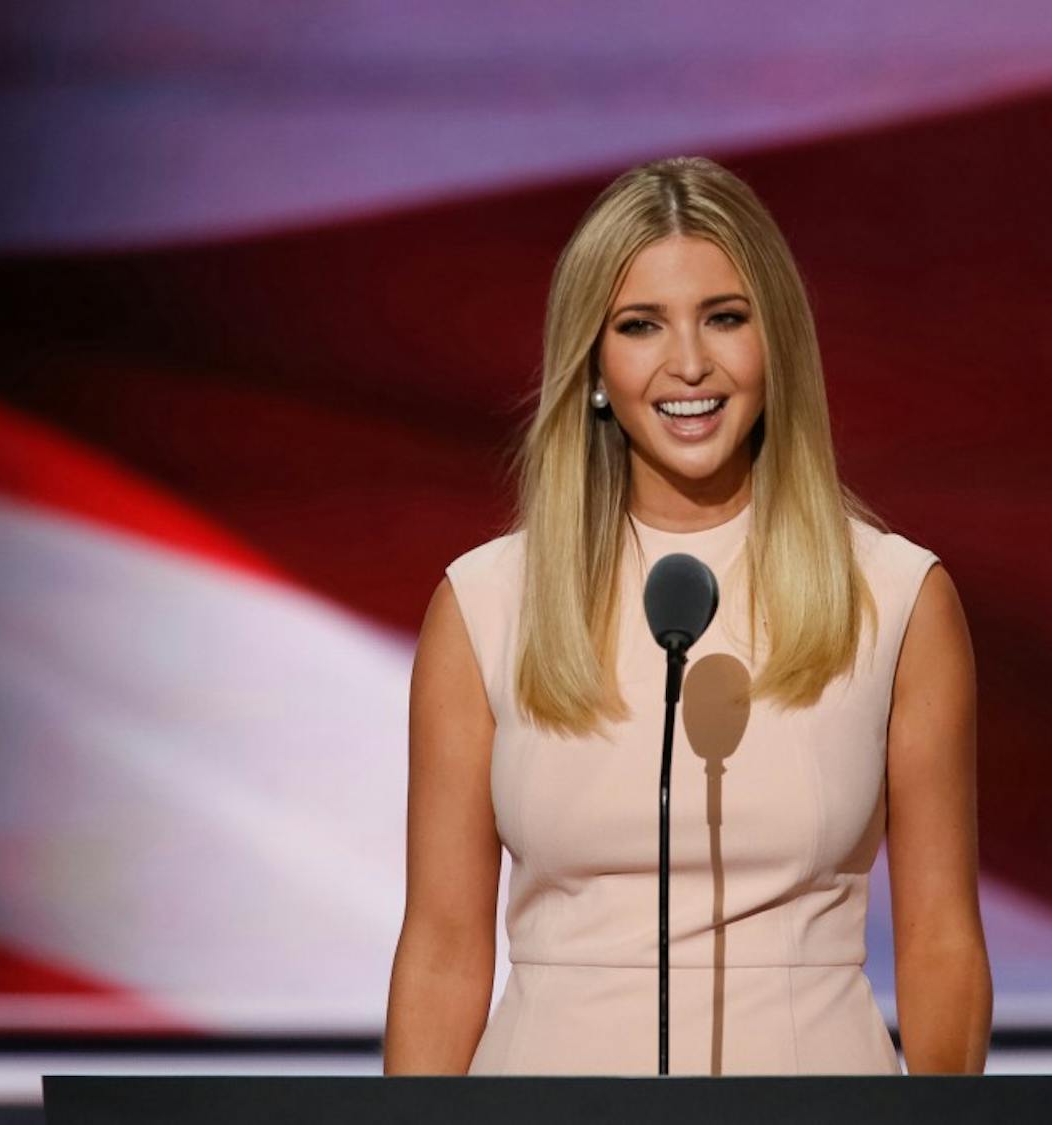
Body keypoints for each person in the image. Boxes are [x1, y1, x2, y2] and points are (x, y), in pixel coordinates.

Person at [383, 155, 990, 1076]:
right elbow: (440, 950)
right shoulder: (485, 606)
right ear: (594, 362)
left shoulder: (897, 599)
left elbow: (942, 940)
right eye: (640, 326)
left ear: (774, 340)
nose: (690, 363)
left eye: (725, 317)